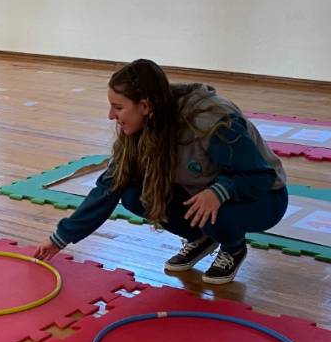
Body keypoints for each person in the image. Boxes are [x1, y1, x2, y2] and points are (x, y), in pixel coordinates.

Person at [33, 59, 288, 285]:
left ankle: (233, 248)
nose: (111, 116)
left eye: (118, 107)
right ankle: (200, 238)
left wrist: (220, 191)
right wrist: (60, 238)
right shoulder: (141, 129)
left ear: (144, 105)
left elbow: (262, 175)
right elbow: (108, 188)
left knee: (215, 213)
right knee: (134, 195)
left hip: (263, 197)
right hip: (200, 191)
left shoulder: (211, 123)